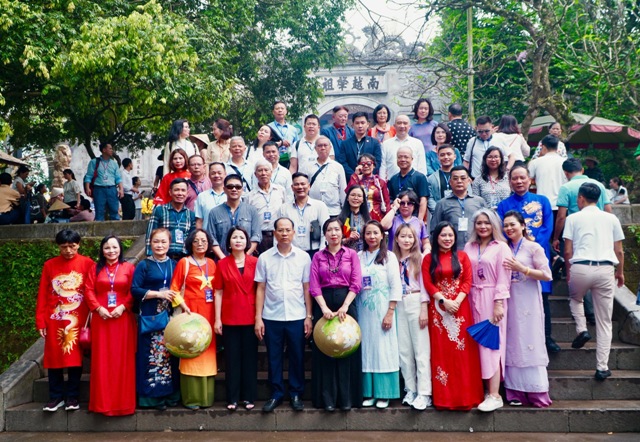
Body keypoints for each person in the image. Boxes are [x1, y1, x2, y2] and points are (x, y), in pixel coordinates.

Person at [563, 183, 625, 381]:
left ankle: (581, 329)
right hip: (605, 269)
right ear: (598, 199)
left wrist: (569, 272)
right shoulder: (611, 218)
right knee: (604, 321)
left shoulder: (572, 218)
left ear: (581, 198)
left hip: (580, 266)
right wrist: (620, 273)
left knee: (575, 299)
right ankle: (602, 367)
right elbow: (619, 250)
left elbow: (567, 251)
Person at [422, 221, 484, 410]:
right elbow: (428, 283)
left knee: (463, 353)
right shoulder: (428, 259)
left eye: (450, 235)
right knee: (442, 353)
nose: (447, 238)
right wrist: (444, 301)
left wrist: (456, 301)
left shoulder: (462, 256)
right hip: (439, 311)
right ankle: (444, 398)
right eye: (443, 235)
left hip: (461, 309)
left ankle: (466, 397)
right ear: (436, 237)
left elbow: (467, 281)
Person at [255, 217, 313, 412]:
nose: (284, 233)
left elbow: (307, 288)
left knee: (297, 356)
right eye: (280, 230)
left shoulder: (303, 257)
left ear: (294, 232)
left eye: (288, 230)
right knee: (274, 357)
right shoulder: (265, 258)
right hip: (272, 316)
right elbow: (261, 288)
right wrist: (258, 318)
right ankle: (276, 393)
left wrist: (309, 316)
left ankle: (296, 393)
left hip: (297, 315)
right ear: (274, 233)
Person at [497, 164, 557, 353]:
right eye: (514, 178)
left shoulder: (542, 201)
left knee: (542, 299)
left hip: (536, 255)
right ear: (509, 182)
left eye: (522, 177)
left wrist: (530, 246)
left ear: (530, 179)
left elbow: (547, 227)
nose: (519, 181)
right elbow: (502, 231)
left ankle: (546, 337)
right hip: (513, 256)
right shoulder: (503, 205)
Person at [36, 229, 95, 412]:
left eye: (72, 246)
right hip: (54, 319)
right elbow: (43, 294)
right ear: (58, 246)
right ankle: (55, 397)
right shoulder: (49, 265)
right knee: (54, 358)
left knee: (75, 358)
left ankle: (72, 397)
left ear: (79, 245)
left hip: (79, 319)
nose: (68, 250)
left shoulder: (88, 263)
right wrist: (40, 320)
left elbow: (92, 290)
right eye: (64, 247)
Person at [309, 217, 362, 411]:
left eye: (337, 230)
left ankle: (346, 399)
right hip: (323, 305)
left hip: (347, 304)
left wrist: (345, 306)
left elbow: (356, 282)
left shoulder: (351, 254)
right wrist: (323, 308)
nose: (334, 233)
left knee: (346, 346)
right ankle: (327, 399)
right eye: (330, 230)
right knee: (326, 348)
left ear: (342, 233)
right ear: (324, 234)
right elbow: (314, 285)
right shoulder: (317, 257)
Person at [502, 210, 553, 407]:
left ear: (523, 225)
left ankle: (536, 392)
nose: (509, 228)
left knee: (530, 340)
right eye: (506, 225)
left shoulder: (533, 247)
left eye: (512, 224)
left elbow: (547, 275)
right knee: (512, 341)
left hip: (529, 300)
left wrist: (524, 269)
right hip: (510, 300)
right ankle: (514, 391)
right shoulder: (504, 248)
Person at [464, 209, 512, 412]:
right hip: (471, 297)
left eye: (487, 223)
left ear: (494, 225)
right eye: (479, 223)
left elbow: (504, 277)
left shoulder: (501, 247)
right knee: (475, 344)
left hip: (491, 298)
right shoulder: (469, 246)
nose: (483, 226)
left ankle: (495, 394)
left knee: (491, 344)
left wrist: (499, 302)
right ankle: (481, 391)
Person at [85, 235, 136, 416]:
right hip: (102, 319)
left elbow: (133, 290)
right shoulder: (95, 268)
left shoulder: (128, 268)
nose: (111, 251)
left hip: (122, 318)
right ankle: (102, 403)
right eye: (107, 247)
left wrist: (123, 306)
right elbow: (88, 290)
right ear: (102, 250)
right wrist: (98, 309)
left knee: (122, 360)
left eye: (114, 247)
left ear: (120, 249)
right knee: (102, 360)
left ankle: (123, 404)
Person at [131, 228, 180, 410]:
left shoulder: (174, 264)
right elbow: (135, 290)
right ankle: (151, 398)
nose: (160, 245)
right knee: (150, 355)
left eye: (163, 242)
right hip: (150, 316)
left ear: (170, 243)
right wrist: (158, 294)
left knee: (169, 355)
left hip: (169, 315)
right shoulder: (144, 265)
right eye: (156, 242)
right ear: (150, 244)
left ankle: (170, 395)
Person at [169, 229, 217, 409]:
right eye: (196, 241)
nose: (200, 244)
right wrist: (183, 306)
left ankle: (206, 397)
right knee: (190, 352)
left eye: (204, 240)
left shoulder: (212, 263)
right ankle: (191, 398)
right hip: (190, 315)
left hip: (210, 314)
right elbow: (174, 289)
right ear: (190, 243)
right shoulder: (184, 262)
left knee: (207, 353)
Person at [213, 227, 259, 411]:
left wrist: (260, 317)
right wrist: (217, 319)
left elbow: (261, 289)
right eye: (234, 237)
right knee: (232, 359)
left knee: (250, 358)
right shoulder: (222, 264)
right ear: (229, 242)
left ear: (247, 242)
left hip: (251, 315)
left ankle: (248, 397)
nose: (238, 240)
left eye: (242, 237)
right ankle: (232, 398)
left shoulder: (255, 262)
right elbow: (218, 292)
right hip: (230, 316)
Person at [358, 220, 402, 409]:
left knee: (384, 350)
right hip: (363, 310)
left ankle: (384, 394)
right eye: (368, 233)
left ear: (382, 235)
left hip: (383, 308)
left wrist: (390, 312)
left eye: (375, 233)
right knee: (367, 349)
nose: (372, 237)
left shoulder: (389, 257)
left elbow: (396, 285)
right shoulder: (358, 256)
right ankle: (369, 392)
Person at [391, 224, 432, 410]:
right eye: (403, 236)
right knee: (404, 350)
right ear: (396, 238)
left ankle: (424, 392)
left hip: (416, 300)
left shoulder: (420, 258)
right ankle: (411, 389)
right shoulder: (392, 259)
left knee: (421, 349)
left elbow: (424, 285)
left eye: (410, 237)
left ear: (415, 239)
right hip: (399, 302)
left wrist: (424, 308)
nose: (406, 240)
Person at [553, 158, 612, 254]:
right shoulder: (599, 185)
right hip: (599, 229)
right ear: (582, 170)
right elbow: (608, 210)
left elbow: (561, 217)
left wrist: (556, 238)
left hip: (577, 231)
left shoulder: (565, 188)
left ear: (565, 173)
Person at [431, 166, 487, 249]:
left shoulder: (479, 202)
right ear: (450, 182)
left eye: (463, 178)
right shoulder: (442, 204)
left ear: (469, 181)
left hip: (476, 248)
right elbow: (434, 230)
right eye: (455, 178)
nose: (459, 181)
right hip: (451, 250)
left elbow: (487, 226)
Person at [206, 174, 261, 258]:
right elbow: (211, 238)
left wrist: (243, 257)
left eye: (238, 187)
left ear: (242, 190)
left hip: (246, 260)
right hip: (222, 259)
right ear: (224, 189)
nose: (234, 189)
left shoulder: (251, 211)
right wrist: (224, 259)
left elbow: (256, 236)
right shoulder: (214, 212)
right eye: (230, 187)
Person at [277, 172, 330, 257]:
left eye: (303, 184)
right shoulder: (284, 208)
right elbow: (278, 232)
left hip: (314, 252)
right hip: (291, 253)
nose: (300, 187)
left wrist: (321, 254)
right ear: (292, 187)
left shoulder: (320, 206)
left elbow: (326, 231)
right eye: (296, 184)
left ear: (309, 186)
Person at [146, 178, 196, 261]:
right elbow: (150, 235)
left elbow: (192, 239)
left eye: (183, 190)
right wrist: (150, 256)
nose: (180, 193)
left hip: (183, 258)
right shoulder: (159, 211)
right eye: (176, 190)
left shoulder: (191, 215)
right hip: (163, 257)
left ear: (187, 193)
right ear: (170, 192)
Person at [246, 159, 287, 253]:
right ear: (255, 174)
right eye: (260, 170)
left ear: (271, 172)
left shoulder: (281, 190)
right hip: (259, 237)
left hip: (278, 235)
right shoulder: (250, 196)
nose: (263, 173)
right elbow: (248, 219)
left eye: (266, 170)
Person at [387, 146, 430, 221]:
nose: (403, 159)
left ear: (412, 159)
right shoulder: (393, 179)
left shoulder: (420, 177)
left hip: (414, 218)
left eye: (406, 157)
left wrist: (419, 220)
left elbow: (423, 200)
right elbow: (390, 199)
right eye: (400, 157)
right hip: (396, 219)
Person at [307, 136, 347, 217]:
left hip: (334, 211)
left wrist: (344, 211)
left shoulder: (338, 167)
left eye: (325, 145)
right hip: (313, 211)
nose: (323, 148)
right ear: (315, 148)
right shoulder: (308, 167)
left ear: (330, 148)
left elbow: (343, 189)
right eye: (320, 146)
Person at [83, 143, 123, 221]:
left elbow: (118, 178)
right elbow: (89, 176)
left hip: (112, 189)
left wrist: (121, 189)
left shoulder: (114, 164)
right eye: (110, 148)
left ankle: (115, 228)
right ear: (104, 150)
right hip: (99, 189)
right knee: (99, 212)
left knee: (114, 211)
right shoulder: (94, 162)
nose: (112, 150)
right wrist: (87, 188)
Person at [380, 114, 428, 180]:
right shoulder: (386, 144)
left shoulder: (417, 143)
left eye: (405, 123)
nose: (402, 126)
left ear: (409, 126)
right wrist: (382, 183)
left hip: (413, 183)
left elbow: (422, 167)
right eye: (399, 123)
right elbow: (383, 167)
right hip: (392, 183)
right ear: (394, 126)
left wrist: (421, 182)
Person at [337, 111, 382, 179]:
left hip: (370, 180)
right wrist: (354, 176)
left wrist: (367, 174)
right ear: (352, 125)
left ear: (368, 124)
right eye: (357, 123)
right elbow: (342, 163)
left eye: (362, 123)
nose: (360, 126)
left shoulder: (374, 143)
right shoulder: (345, 144)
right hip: (350, 180)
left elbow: (377, 162)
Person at [528, 135, 567, 212]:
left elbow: (527, 177)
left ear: (543, 147)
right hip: (561, 205)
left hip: (542, 204)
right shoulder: (565, 162)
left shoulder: (535, 162)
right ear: (557, 147)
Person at [347, 153, 390, 221]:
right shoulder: (356, 180)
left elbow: (387, 202)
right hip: (359, 216)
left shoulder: (380, 182)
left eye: (369, 163)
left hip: (377, 216)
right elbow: (348, 192)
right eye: (363, 164)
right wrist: (355, 174)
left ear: (374, 165)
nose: (366, 166)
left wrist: (387, 219)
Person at [427, 144, 461, 214]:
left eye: (449, 154)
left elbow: (468, 195)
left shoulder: (462, 176)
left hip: (459, 214)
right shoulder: (431, 178)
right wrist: (439, 213)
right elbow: (430, 199)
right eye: (442, 155)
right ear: (438, 158)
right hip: (439, 215)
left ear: (455, 156)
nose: (446, 157)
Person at [195, 162, 227, 230]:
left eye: (219, 173)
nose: (216, 175)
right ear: (209, 176)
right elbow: (199, 221)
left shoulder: (230, 195)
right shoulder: (202, 196)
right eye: (213, 173)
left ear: (225, 174)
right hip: (207, 235)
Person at [338, 185, 371, 251]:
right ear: (347, 198)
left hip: (364, 253)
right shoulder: (340, 219)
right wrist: (348, 238)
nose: (356, 198)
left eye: (359, 196)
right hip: (345, 253)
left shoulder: (367, 218)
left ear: (363, 200)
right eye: (353, 195)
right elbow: (335, 242)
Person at [268, 101, 300, 168]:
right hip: (271, 161)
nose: (280, 110)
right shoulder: (268, 128)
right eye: (277, 108)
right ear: (273, 112)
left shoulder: (293, 129)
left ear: (286, 111)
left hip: (290, 162)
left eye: (282, 108)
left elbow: (297, 147)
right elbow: (264, 145)